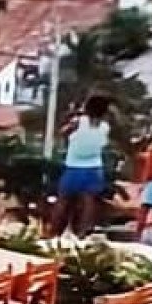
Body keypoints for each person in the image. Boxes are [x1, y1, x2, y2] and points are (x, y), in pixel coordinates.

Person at [51, 95, 112, 241]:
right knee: (89, 202)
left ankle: (54, 232)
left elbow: (63, 132)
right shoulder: (105, 127)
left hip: (73, 167)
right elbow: (103, 144)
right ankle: (82, 234)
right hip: (94, 168)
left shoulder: (77, 122)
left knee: (63, 201)